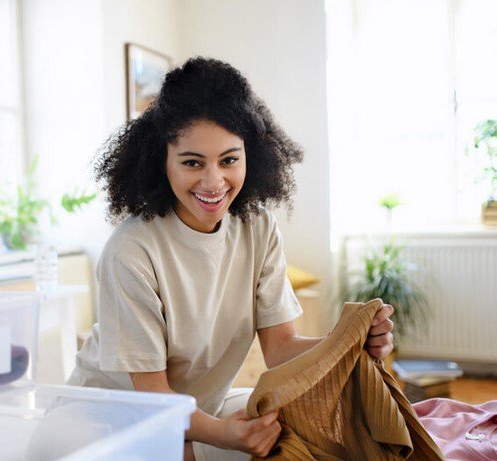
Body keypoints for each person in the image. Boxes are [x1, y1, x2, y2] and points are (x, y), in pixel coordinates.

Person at [67, 57, 394, 460]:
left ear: (249, 156)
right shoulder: (132, 250)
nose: (213, 181)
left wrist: (349, 341)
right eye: (192, 162)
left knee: (312, 431)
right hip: (106, 419)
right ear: (161, 161)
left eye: (228, 159)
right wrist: (225, 435)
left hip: (196, 410)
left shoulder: (258, 228)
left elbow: (281, 348)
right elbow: (152, 398)